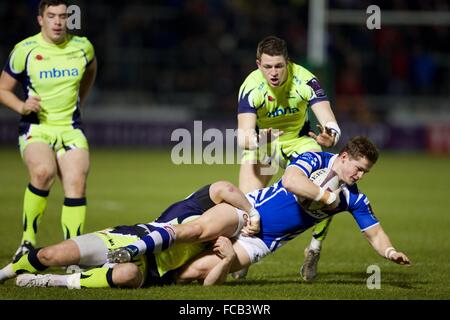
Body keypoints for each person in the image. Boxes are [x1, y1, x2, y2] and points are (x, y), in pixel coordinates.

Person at [5, 137, 411, 288]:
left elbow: (374, 233)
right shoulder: (313, 158)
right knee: (200, 226)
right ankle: (140, 245)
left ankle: (153, 272)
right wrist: (325, 201)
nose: (359, 175)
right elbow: (290, 182)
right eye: (357, 167)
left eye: (364, 172)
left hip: (261, 241)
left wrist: (389, 253)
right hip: (251, 215)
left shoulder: (355, 198)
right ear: (343, 158)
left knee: (198, 276)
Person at [0, 181, 256, 288]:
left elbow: (205, 282)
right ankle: (6, 273)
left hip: (149, 269)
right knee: (48, 254)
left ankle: (53, 282)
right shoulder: (194, 207)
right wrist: (251, 211)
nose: (222, 222)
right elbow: (225, 186)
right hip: (126, 237)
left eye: (230, 224)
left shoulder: (215, 245)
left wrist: (225, 260)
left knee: (128, 273)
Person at [235, 36, 341, 280]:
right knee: (247, 206)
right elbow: (243, 137)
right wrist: (261, 140)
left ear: (288, 63)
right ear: (258, 64)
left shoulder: (306, 80)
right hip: (264, 142)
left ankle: (314, 249)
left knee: (328, 183)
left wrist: (331, 136)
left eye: (279, 66)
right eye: (268, 66)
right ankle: (242, 255)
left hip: (299, 141)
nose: (273, 72)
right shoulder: (250, 87)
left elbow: (329, 120)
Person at [0, 0, 97, 261]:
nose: (57, 21)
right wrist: (21, 105)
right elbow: (2, 89)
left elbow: (90, 71)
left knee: (76, 182)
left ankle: (72, 252)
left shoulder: (82, 47)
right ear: (40, 19)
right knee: (43, 173)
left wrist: (81, 100)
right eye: (51, 16)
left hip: (71, 128)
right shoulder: (25, 50)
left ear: (69, 18)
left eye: (63, 16)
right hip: (37, 127)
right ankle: (28, 241)